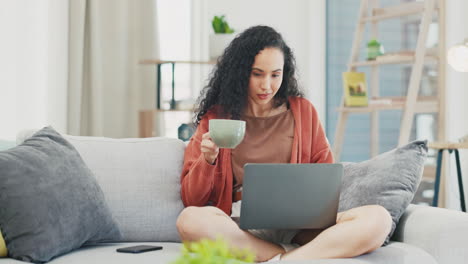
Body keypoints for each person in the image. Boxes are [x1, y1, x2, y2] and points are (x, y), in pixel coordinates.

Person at [176, 25, 392, 262]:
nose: (266, 85)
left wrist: (314, 210)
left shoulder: (303, 112)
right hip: (239, 228)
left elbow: (326, 180)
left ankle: (285, 260)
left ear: (284, 73)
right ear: (239, 73)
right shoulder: (216, 118)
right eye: (257, 74)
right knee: (189, 220)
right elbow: (192, 200)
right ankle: (288, 257)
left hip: (300, 227)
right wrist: (207, 160)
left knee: (379, 218)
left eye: (275, 75)